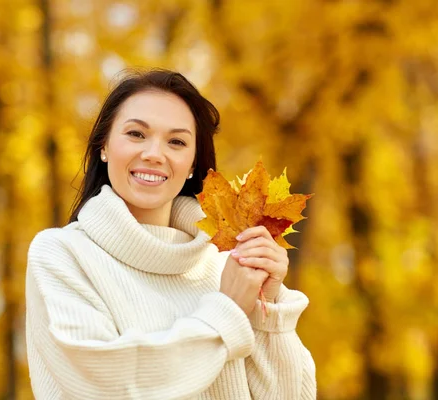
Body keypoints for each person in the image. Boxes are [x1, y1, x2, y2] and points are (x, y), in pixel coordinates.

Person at [25, 69, 316, 399]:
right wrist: (226, 312)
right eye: (136, 134)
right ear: (103, 146)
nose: (153, 153)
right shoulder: (62, 254)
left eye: (176, 141)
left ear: (192, 163)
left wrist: (270, 308)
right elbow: (105, 386)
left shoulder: (228, 264)